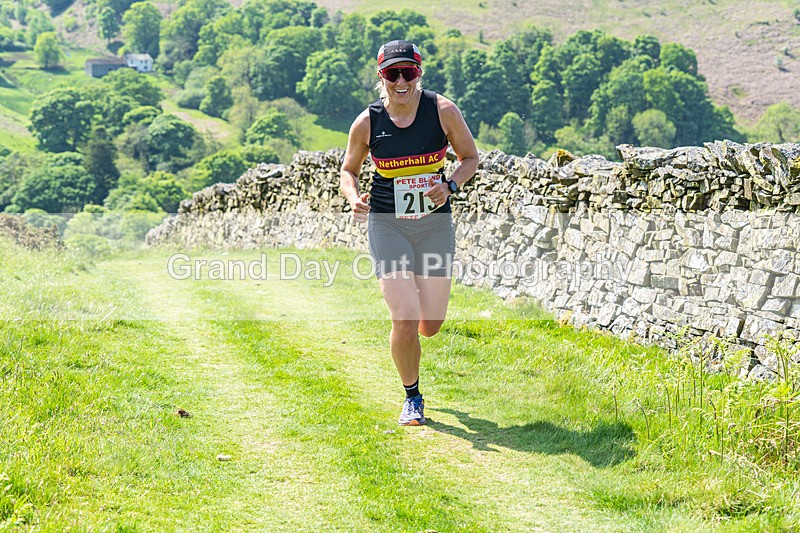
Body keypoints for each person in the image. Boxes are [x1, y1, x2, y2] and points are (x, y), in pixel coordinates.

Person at [339, 40, 479, 426]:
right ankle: (412, 397)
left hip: (434, 224)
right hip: (387, 222)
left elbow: (470, 158)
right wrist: (352, 197)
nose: (401, 81)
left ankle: (417, 305)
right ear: (380, 76)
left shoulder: (443, 111)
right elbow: (348, 170)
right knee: (403, 316)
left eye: (409, 72)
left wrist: (449, 185)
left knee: (429, 326)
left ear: (419, 72)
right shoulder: (367, 122)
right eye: (391, 73)